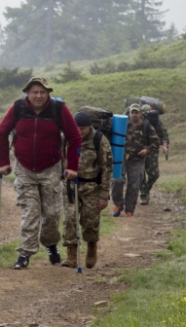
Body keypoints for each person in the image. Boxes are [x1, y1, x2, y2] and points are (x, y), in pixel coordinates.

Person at [0, 77, 81, 269]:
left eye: (42, 92)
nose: (38, 95)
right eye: (34, 92)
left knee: (51, 215)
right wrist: (3, 162)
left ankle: (50, 244)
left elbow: (75, 137)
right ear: (28, 93)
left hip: (51, 168)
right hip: (25, 169)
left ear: (48, 93)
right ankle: (25, 253)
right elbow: (1, 133)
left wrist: (72, 166)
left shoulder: (58, 109)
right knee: (30, 213)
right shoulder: (18, 108)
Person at [61, 111, 113, 269]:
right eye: (77, 128)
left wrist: (104, 195)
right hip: (70, 187)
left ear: (89, 127)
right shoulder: (66, 139)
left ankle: (91, 248)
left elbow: (107, 169)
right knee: (70, 219)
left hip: (92, 188)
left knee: (90, 221)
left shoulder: (100, 141)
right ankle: (71, 256)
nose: (79, 132)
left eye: (82, 129)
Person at [111, 104, 160, 217]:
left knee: (134, 185)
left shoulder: (146, 126)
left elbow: (156, 142)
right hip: (121, 157)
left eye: (136, 112)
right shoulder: (122, 124)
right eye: (132, 112)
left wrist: (147, 150)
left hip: (137, 160)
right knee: (117, 181)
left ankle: (130, 209)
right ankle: (118, 205)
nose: (134, 115)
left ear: (140, 114)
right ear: (129, 113)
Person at [139, 104, 170, 205]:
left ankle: (145, 190)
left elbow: (163, 133)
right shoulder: (135, 122)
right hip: (139, 150)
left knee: (154, 175)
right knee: (140, 174)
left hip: (152, 150)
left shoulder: (155, 121)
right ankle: (144, 195)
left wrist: (164, 146)